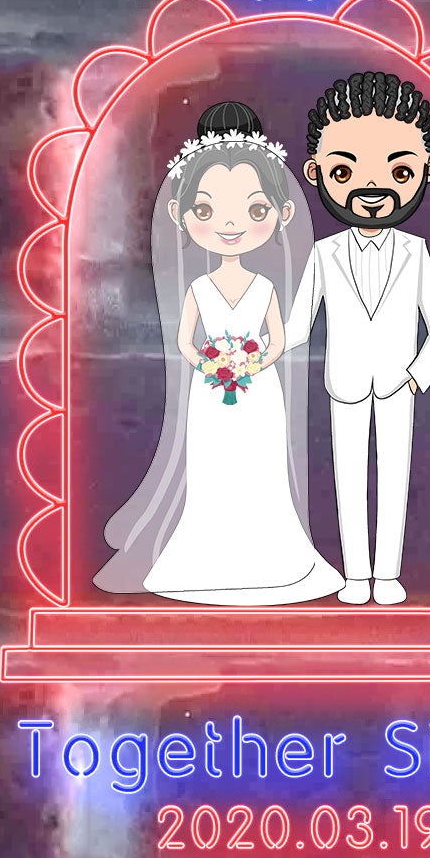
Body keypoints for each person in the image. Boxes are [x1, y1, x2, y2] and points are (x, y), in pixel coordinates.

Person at [95, 100, 343, 605]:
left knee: (259, 470)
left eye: (255, 211)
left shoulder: (265, 288)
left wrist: (252, 362)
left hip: (258, 390)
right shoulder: (199, 288)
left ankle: (270, 558)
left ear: (280, 216)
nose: (231, 226)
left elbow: (278, 337)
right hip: (211, 391)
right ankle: (207, 557)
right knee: (213, 470)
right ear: (182, 216)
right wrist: (211, 362)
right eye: (206, 212)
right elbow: (186, 339)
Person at [286, 71, 430, 605]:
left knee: (394, 478)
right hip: (346, 382)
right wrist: (252, 350)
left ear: (427, 170)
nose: (372, 189)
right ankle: (357, 575)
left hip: (399, 384)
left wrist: (415, 376)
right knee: (349, 477)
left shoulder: (416, 252)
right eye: (344, 171)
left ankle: (389, 574)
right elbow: (298, 324)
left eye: (399, 171)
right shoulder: (324, 253)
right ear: (316, 173)